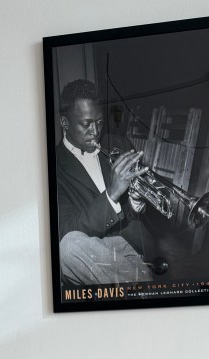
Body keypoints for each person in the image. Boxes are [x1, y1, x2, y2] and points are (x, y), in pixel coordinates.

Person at [55, 79, 154, 286]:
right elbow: (67, 230)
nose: (95, 131)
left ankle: (142, 284)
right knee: (68, 247)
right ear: (64, 123)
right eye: (86, 124)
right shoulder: (53, 167)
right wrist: (112, 195)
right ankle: (144, 286)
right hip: (92, 257)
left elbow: (135, 215)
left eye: (99, 122)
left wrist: (136, 200)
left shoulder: (118, 144)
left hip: (131, 247)